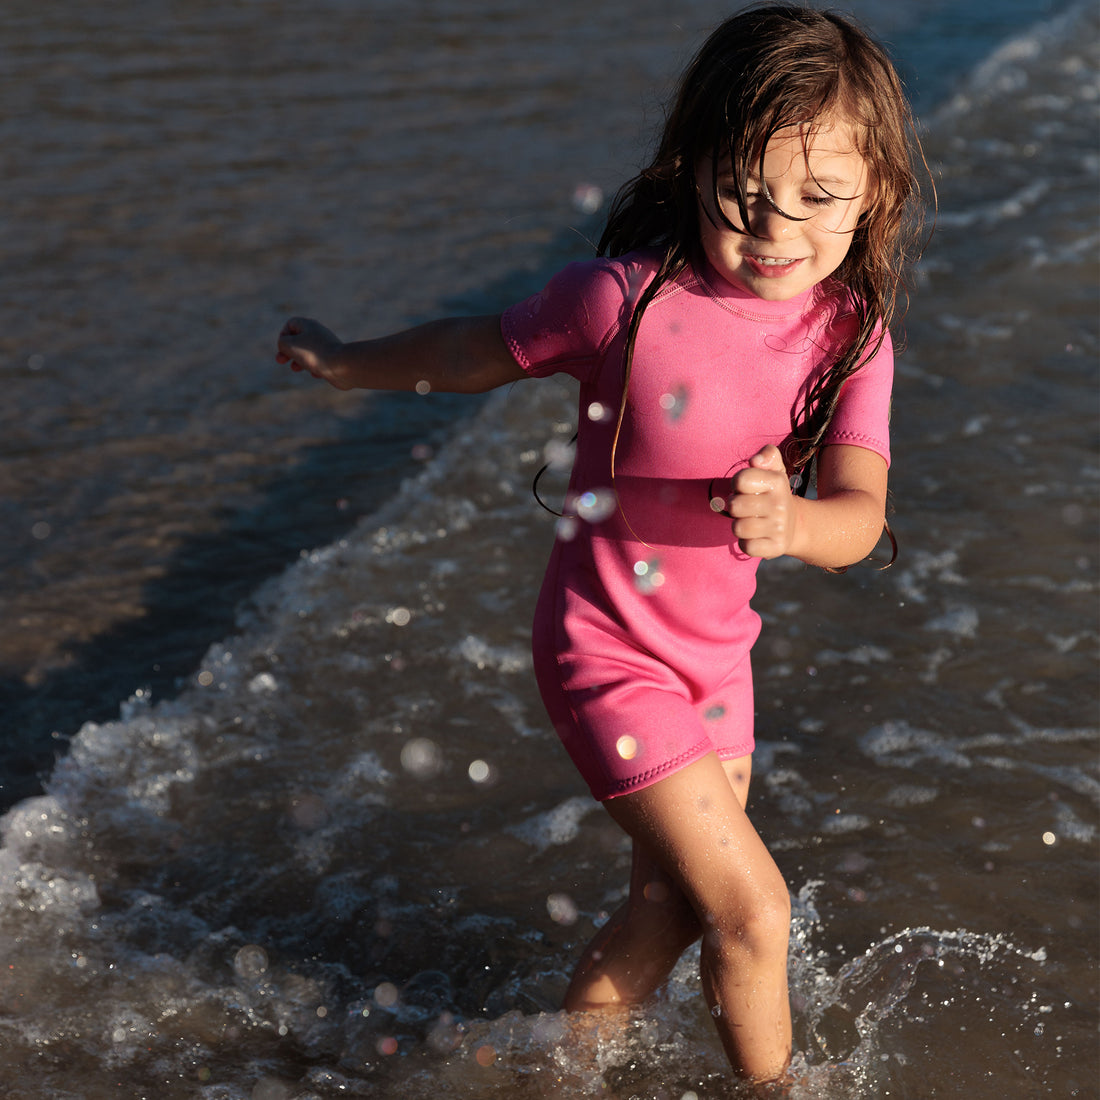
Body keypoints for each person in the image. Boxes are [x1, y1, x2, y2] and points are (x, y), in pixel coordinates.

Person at [276, 4, 925, 1086]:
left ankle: (560, 1069)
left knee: (669, 908)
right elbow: (473, 347)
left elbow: (859, 512)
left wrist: (797, 523)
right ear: (690, 168)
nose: (775, 232)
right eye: (741, 195)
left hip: (717, 661)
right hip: (602, 651)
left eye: (818, 200)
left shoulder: (852, 334)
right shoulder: (623, 301)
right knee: (753, 912)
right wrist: (347, 363)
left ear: (875, 195)